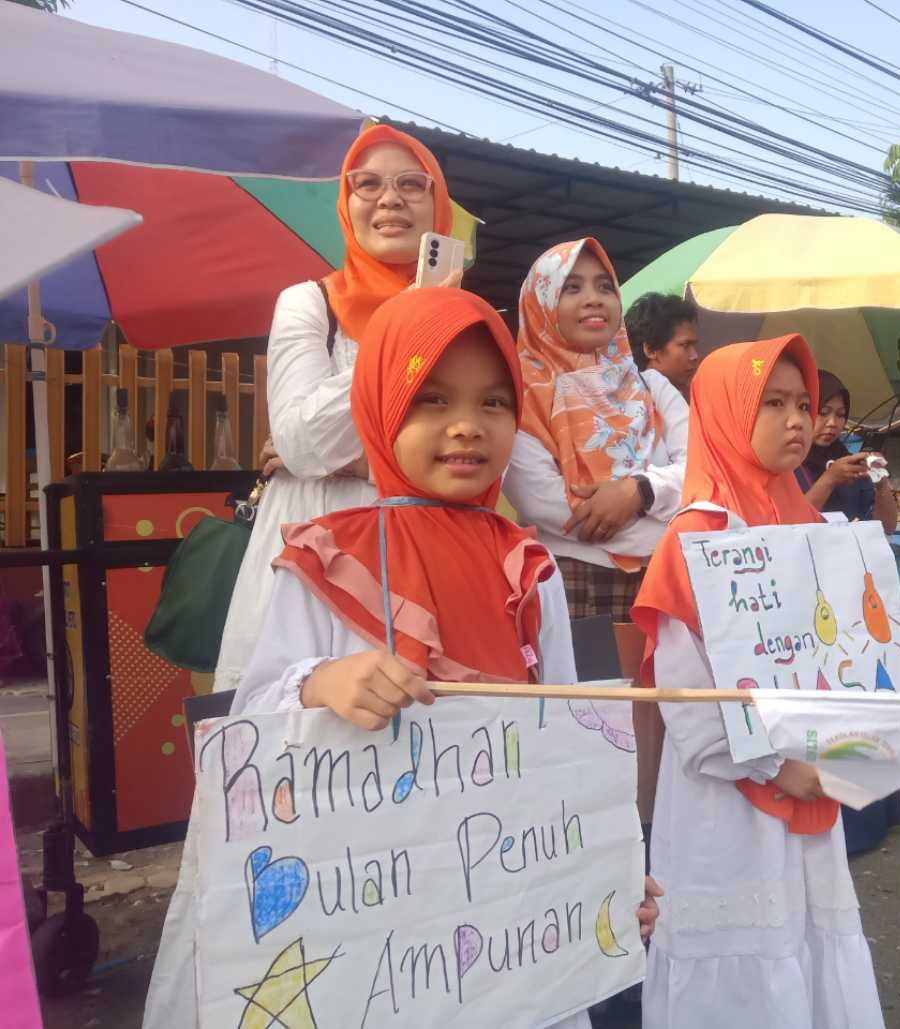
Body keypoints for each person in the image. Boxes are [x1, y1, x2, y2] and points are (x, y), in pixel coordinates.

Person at [144, 289, 662, 1028]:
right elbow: (252, 729)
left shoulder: (527, 565)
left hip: (512, 937)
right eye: (431, 399)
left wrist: (601, 873)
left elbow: (566, 749)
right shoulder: (326, 555)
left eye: (493, 401)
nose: (466, 426)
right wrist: (323, 682)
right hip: (370, 946)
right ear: (380, 404)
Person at [630, 336, 884, 1029]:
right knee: (744, 956)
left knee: (803, 938)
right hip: (730, 802)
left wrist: (837, 745)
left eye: (802, 403)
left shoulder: (812, 527)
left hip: (810, 779)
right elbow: (688, 699)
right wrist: (776, 763)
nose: (798, 420)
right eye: (771, 403)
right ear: (720, 413)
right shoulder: (696, 535)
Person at [213, 123, 460, 694]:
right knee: (299, 732)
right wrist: (408, 328)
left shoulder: (464, 318)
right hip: (310, 550)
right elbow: (301, 441)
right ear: (346, 205)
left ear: (436, 203)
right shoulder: (307, 303)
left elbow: (475, 461)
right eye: (366, 183)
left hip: (425, 552)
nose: (389, 198)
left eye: (410, 184)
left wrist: (355, 462)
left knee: (424, 732)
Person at [504, 239, 689, 622]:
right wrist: (658, 531)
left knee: (675, 682)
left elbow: (701, 471)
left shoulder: (653, 387)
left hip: (669, 575)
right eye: (572, 288)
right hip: (571, 577)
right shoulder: (519, 396)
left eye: (605, 287)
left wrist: (639, 491)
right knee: (590, 684)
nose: (594, 299)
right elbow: (538, 499)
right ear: (540, 301)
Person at [795, 370, 898, 533]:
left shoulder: (851, 464)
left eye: (841, 415)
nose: (832, 423)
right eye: (823, 413)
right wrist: (829, 479)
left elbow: (887, 528)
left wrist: (882, 485)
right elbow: (791, 525)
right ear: (802, 410)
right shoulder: (786, 465)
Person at [625, 291, 701, 400]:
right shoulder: (640, 408)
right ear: (651, 350)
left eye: (693, 345)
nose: (694, 356)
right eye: (685, 345)